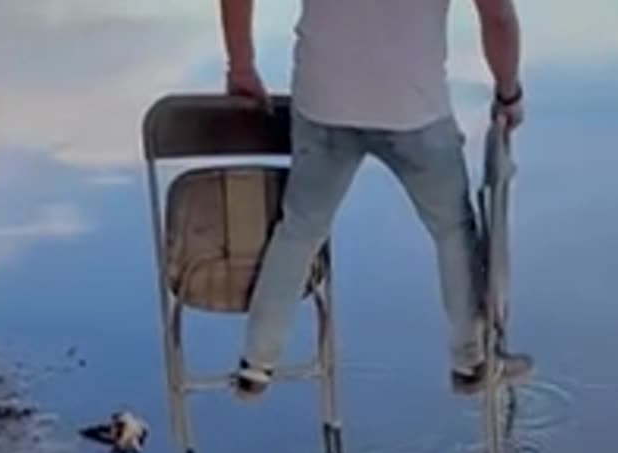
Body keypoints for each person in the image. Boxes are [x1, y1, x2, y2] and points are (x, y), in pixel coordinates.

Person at [219, 0, 533, 398]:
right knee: (453, 229)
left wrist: (241, 65)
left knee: (299, 229)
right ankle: (470, 359)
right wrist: (509, 93)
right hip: (413, 106)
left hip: (324, 100)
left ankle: (256, 364)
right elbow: (497, 16)